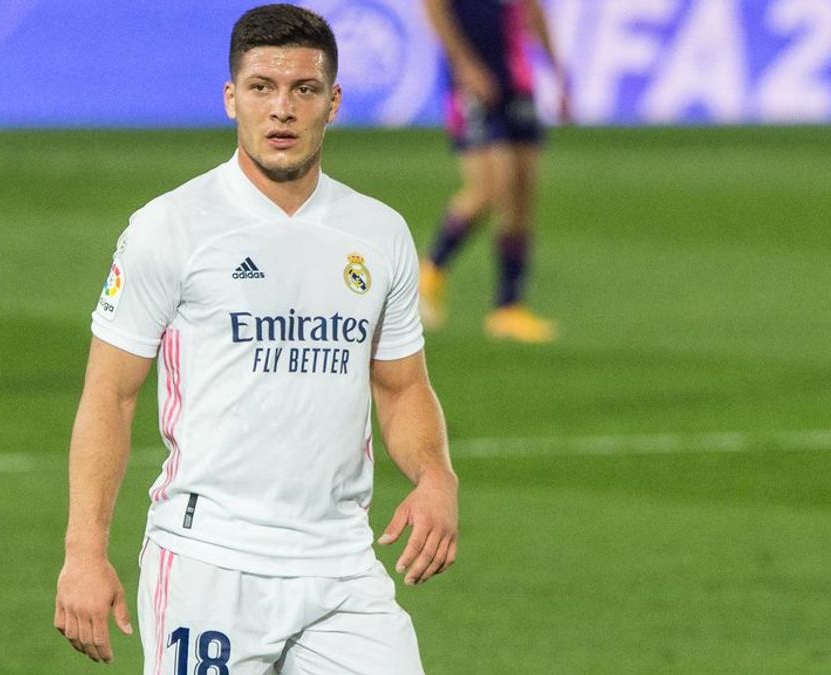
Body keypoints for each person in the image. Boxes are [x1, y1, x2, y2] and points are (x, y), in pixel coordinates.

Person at [54, 4, 458, 673]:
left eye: (303, 90)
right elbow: (110, 394)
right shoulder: (171, 228)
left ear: (333, 103)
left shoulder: (378, 233)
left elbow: (402, 384)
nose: (282, 110)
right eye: (262, 88)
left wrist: (436, 474)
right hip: (210, 566)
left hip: (340, 568)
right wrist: (82, 553)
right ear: (230, 98)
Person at [418, 0, 569, 343]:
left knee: (522, 193)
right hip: (472, 81)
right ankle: (430, 270)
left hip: (516, 80)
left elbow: (532, 11)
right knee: (490, 188)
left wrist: (557, 71)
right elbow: (433, 8)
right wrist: (464, 64)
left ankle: (509, 307)